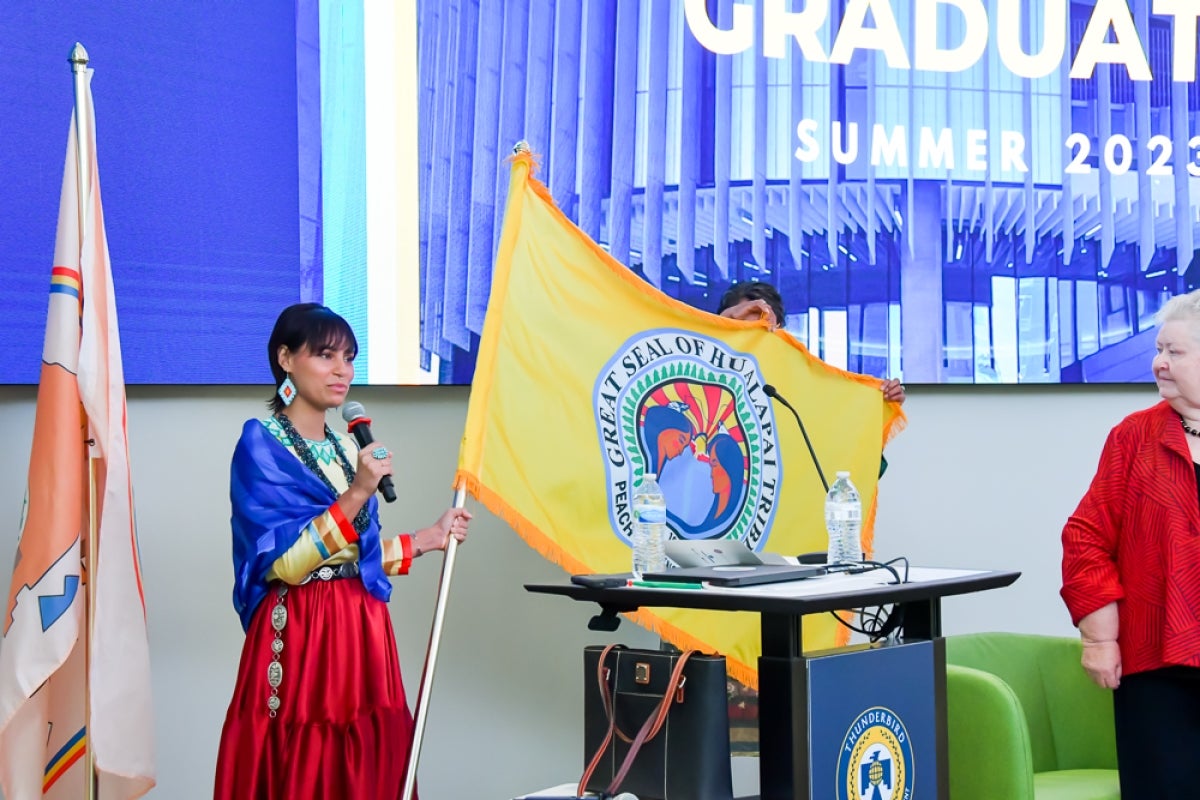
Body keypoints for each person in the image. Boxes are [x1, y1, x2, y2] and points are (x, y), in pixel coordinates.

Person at [213, 303, 471, 799]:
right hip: (304, 635)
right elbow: (289, 564)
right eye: (326, 355)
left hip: (359, 630)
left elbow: (353, 558)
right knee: (306, 763)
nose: (342, 371)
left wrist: (427, 539)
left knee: (366, 762)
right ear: (286, 358)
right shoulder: (261, 445)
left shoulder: (342, 446)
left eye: (349, 358)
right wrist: (357, 492)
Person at [1060, 288, 1200, 800]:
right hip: (1156, 665)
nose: (1158, 363)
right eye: (1158, 350)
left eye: (1174, 352)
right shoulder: (1133, 437)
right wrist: (1099, 638)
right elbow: (1086, 538)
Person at [716, 280, 906, 404]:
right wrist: (718, 326)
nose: (752, 339)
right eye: (740, 328)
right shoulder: (701, 374)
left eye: (760, 329)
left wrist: (879, 401)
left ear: (778, 330)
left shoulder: (798, 386)